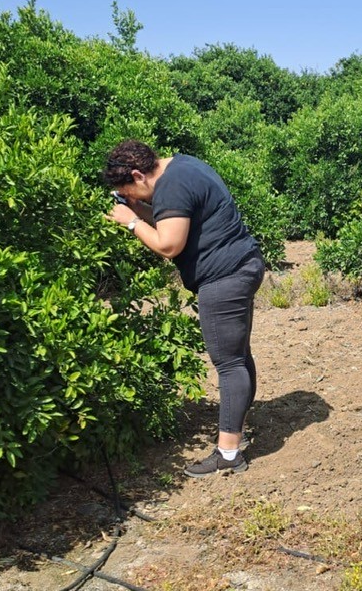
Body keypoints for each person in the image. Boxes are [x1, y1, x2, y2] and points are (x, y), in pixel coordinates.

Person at [103, 140, 265, 478]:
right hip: (242, 265)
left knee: (229, 363)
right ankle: (237, 431)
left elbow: (168, 244)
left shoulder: (171, 186)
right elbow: (172, 219)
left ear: (138, 175)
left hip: (223, 278)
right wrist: (138, 209)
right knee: (238, 356)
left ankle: (229, 453)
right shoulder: (182, 166)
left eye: (131, 190)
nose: (135, 197)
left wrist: (130, 222)